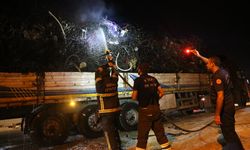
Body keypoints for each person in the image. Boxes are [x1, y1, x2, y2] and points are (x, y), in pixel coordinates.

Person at [191, 49, 244, 150]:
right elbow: (210, 61)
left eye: (208, 63)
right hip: (229, 106)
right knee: (230, 132)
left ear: (212, 64)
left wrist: (217, 115)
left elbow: (220, 96)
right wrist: (199, 56)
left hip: (225, 109)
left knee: (229, 134)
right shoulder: (223, 71)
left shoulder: (217, 76)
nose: (206, 65)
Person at [131, 63, 171, 150]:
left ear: (140, 70)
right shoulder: (153, 79)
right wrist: (156, 99)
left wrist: (142, 98)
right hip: (156, 108)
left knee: (142, 136)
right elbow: (162, 92)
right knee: (160, 134)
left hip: (145, 110)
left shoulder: (138, 80)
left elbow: (134, 97)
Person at [95, 53, 121, 150]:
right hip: (115, 111)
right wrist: (112, 64)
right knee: (115, 132)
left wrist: (106, 65)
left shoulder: (100, 85)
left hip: (106, 113)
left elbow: (97, 72)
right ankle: (118, 147)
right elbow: (116, 73)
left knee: (109, 136)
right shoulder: (113, 81)